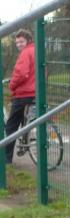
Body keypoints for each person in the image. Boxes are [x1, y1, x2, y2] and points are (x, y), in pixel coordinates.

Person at [5, 29, 35, 164]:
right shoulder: (37, 51)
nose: (19, 45)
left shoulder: (25, 53)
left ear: (28, 40)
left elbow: (21, 74)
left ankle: (6, 159)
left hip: (23, 94)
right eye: (17, 43)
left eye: (21, 41)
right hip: (35, 92)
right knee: (27, 120)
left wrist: (12, 85)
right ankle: (25, 142)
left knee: (11, 126)